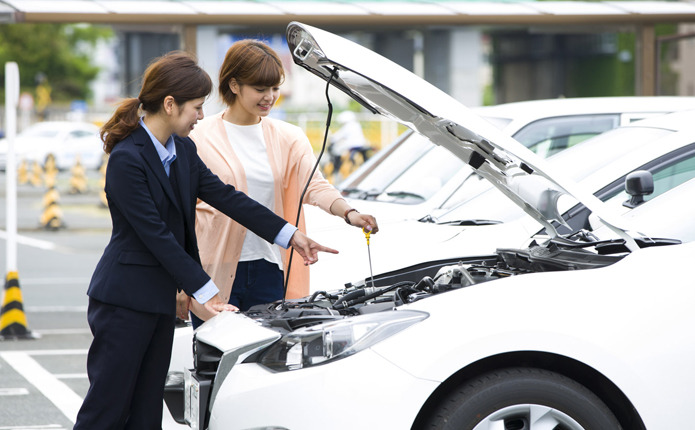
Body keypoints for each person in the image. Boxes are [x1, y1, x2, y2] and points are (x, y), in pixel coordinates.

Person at [73, 51, 336, 430]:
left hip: (158, 301)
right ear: (169, 104)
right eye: (196, 107)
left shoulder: (183, 150)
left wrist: (290, 235)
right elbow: (156, 236)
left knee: (147, 412)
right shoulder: (127, 158)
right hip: (123, 302)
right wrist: (207, 292)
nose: (200, 116)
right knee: (107, 409)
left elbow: (228, 197)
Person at [186, 40, 379, 327]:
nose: (270, 97)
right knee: (213, 358)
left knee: (269, 361)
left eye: (275, 88)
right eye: (260, 89)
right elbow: (181, 209)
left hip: (270, 266)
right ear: (235, 85)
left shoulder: (289, 136)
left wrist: (349, 213)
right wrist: (181, 281)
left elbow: (313, 185)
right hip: (212, 268)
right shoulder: (198, 135)